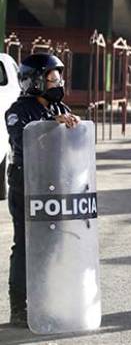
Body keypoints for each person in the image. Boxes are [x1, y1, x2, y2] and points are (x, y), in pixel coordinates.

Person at [5, 53, 80, 327]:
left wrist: (75, 128)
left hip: (54, 185)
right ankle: (19, 307)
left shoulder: (59, 108)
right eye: (51, 78)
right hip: (26, 184)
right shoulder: (17, 111)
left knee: (52, 245)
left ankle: (45, 301)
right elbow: (23, 140)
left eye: (59, 77)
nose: (57, 83)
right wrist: (52, 127)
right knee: (26, 245)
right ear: (35, 81)